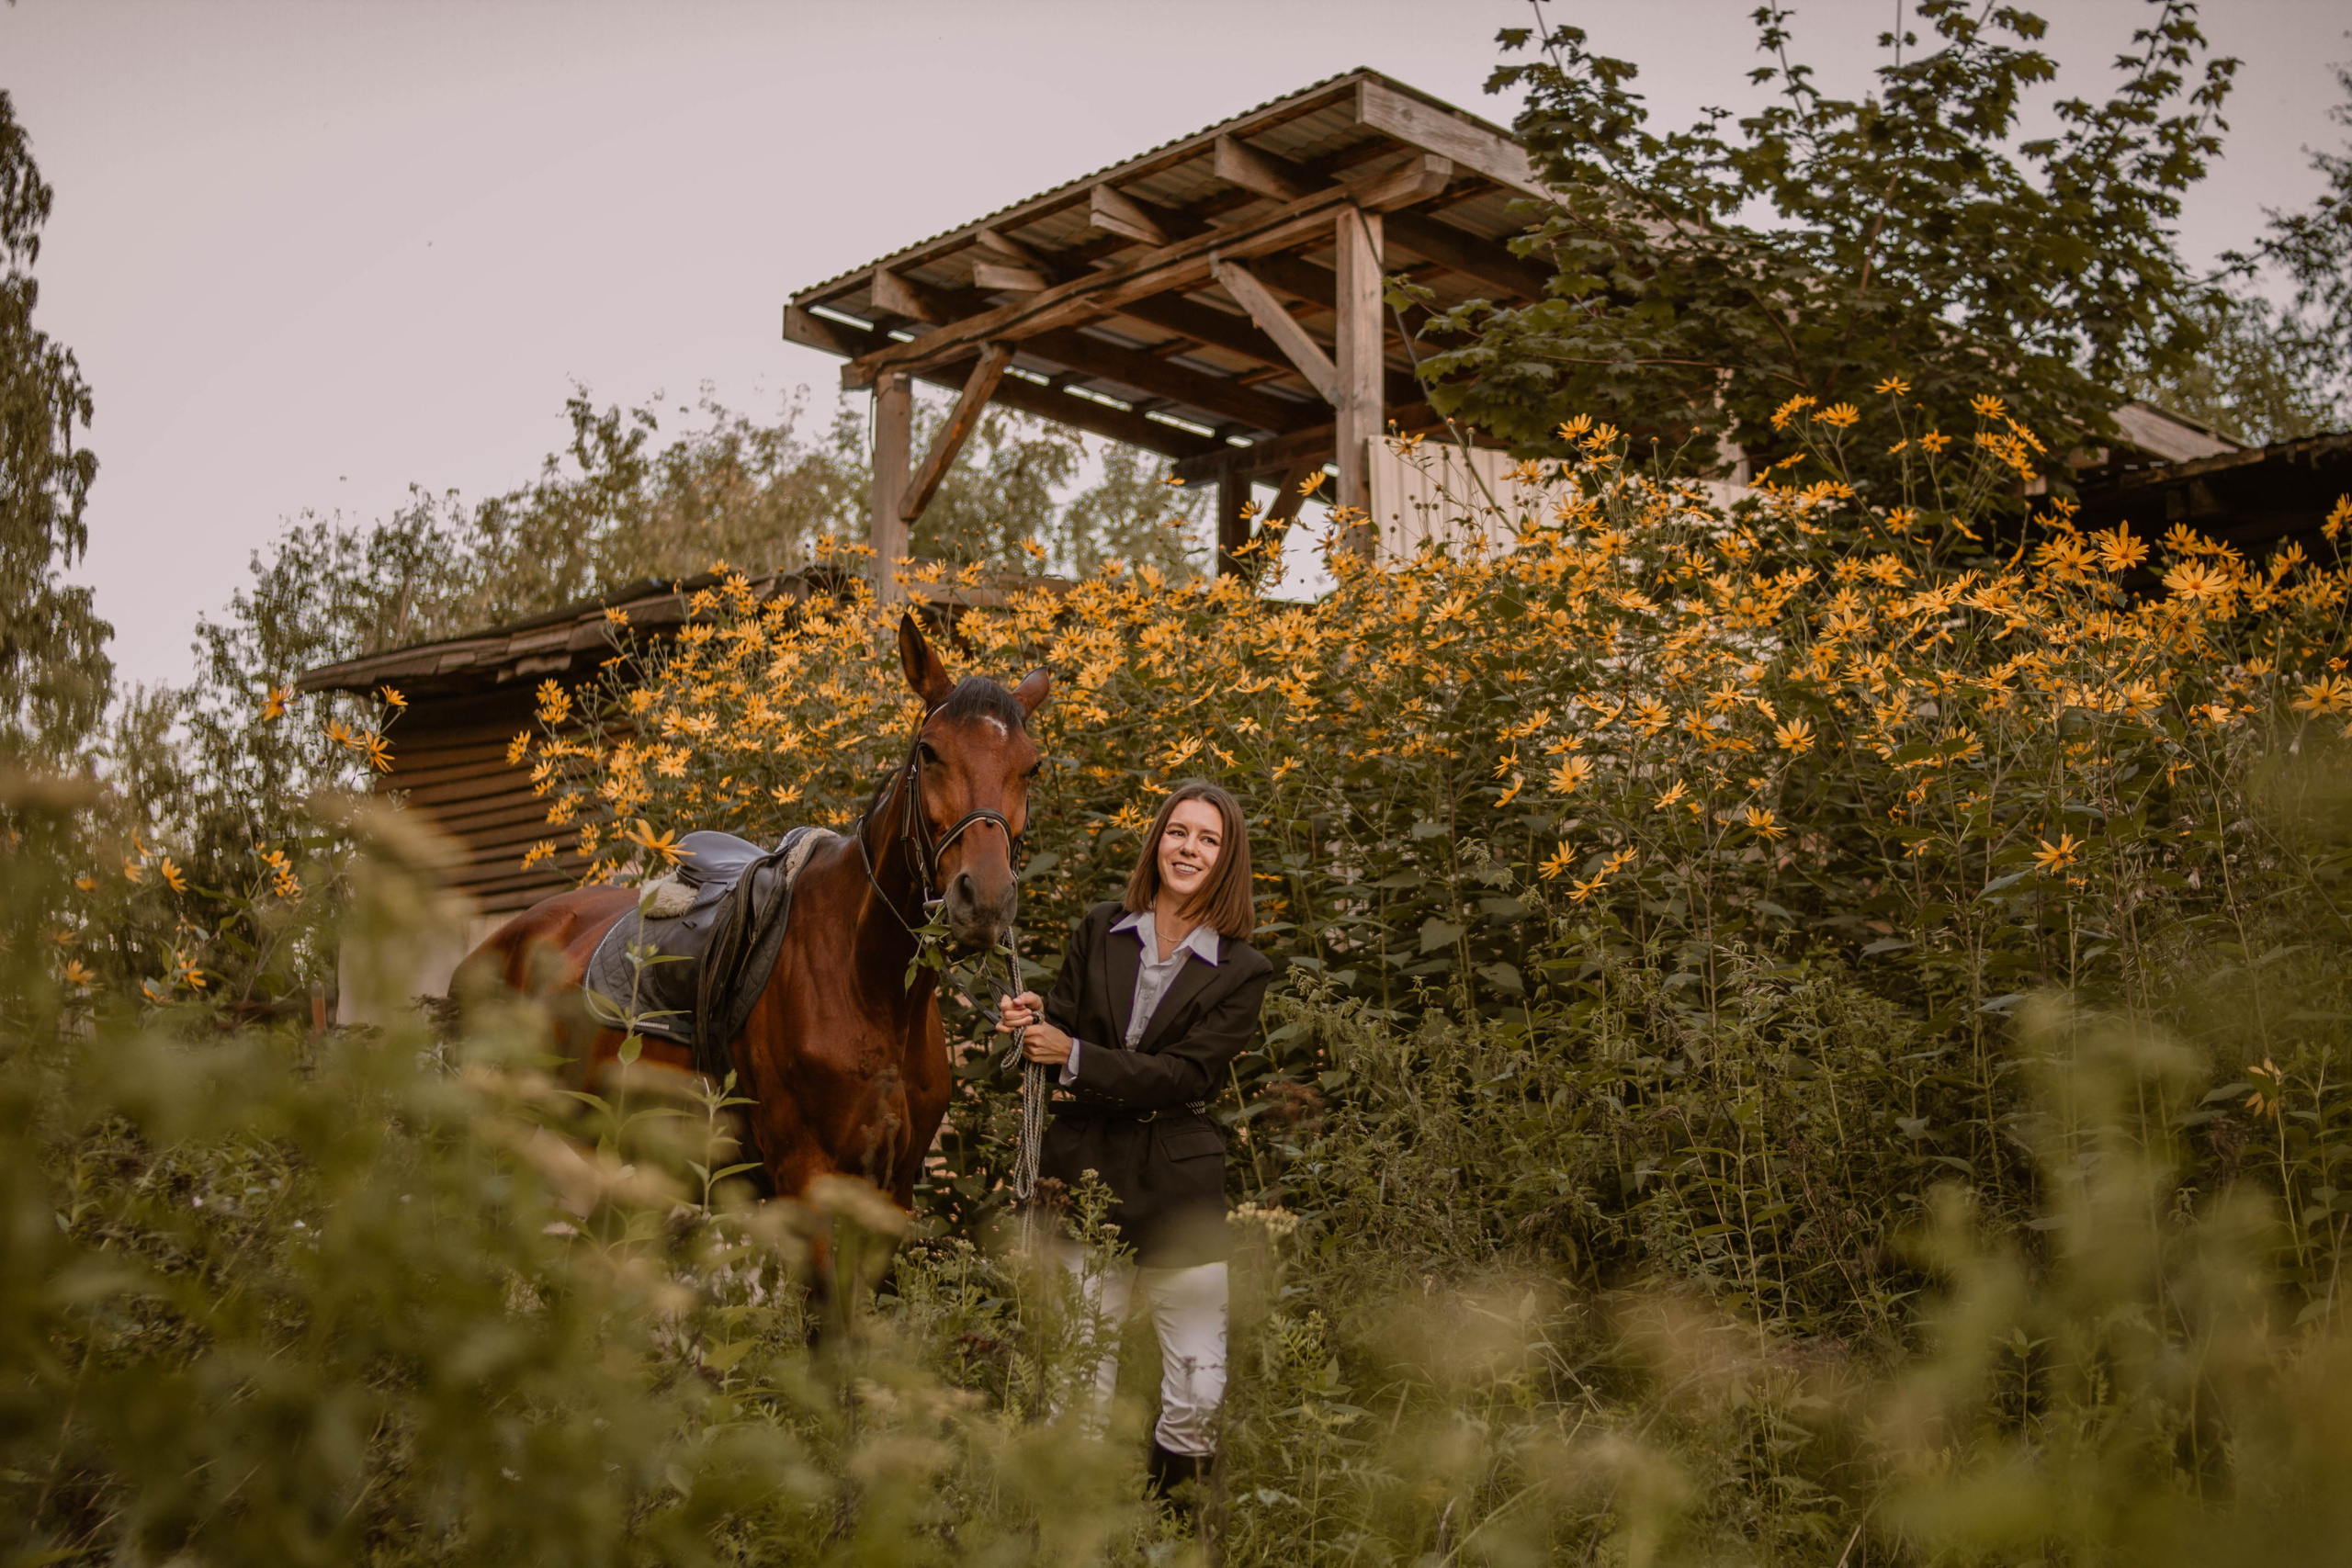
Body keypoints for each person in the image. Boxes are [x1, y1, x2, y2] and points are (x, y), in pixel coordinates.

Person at [998, 778, 1273, 1502]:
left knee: (1199, 1387)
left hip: (1179, 1185)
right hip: (1082, 1171)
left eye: (1208, 838)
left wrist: (1075, 1054)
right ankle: (1074, 1532)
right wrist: (1031, 1022)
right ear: (1157, 841)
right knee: (1076, 1387)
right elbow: (1060, 1024)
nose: (1189, 848)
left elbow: (1185, 1074)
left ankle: (1176, 1532)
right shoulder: (1101, 927)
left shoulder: (1244, 969)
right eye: (1178, 831)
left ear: (1227, 858)